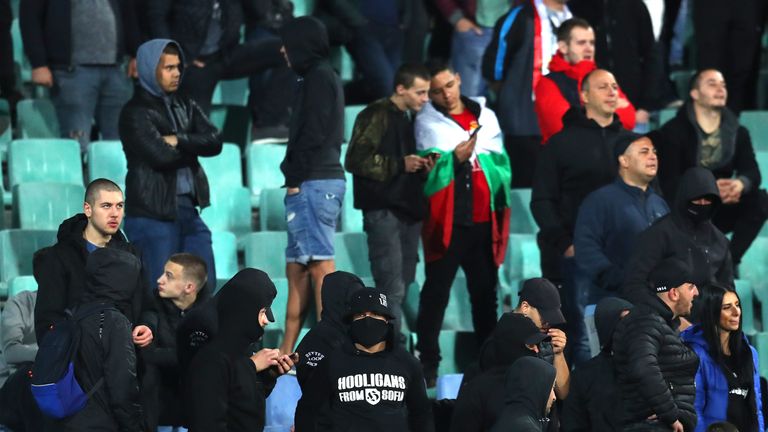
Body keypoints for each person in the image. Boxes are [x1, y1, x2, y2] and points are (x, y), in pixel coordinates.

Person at [413, 59, 511, 385]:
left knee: (485, 295)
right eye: (437, 92)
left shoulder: (486, 115)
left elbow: (500, 161)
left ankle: (490, 364)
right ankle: (428, 365)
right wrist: (454, 159)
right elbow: (428, 178)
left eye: (449, 86)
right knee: (435, 294)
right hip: (449, 223)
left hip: (484, 222)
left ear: (458, 79)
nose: (446, 95)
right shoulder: (427, 122)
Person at [531, 69, 635, 363]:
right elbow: (542, 201)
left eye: (615, 86)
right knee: (581, 343)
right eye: (603, 87)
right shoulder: (559, 144)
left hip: (625, 259)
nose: (612, 91)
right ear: (584, 96)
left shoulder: (632, 144)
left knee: (629, 341)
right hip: (577, 260)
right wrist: (565, 243)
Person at [120, 39, 222, 294]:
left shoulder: (185, 104)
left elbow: (216, 140)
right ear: (149, 69)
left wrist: (179, 140)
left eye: (178, 67)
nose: (176, 73)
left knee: (202, 287)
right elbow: (161, 157)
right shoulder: (135, 113)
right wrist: (195, 148)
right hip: (152, 213)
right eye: (168, 68)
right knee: (159, 292)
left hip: (188, 208)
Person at [344, 63, 432, 336]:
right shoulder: (376, 114)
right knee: (391, 288)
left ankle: (393, 348)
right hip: (384, 211)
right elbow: (355, 160)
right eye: (420, 92)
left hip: (405, 210)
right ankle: (391, 353)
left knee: (401, 285)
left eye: (427, 93)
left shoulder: (407, 117)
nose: (425, 99)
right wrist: (399, 164)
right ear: (400, 89)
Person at [649, 69, 767, 268]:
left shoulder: (738, 131)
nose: (720, 89)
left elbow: (752, 173)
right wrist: (707, 190)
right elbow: (669, 180)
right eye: (712, 84)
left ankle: (728, 261)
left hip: (723, 204)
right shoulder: (673, 131)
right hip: (686, 205)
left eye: (723, 85)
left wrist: (739, 184)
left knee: (761, 201)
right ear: (694, 94)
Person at [278, 16, 346, 354]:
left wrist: (294, 177)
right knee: (297, 269)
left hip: (313, 182)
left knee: (319, 268)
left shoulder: (319, 78)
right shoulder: (318, 77)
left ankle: (329, 350)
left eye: (287, 43)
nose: (283, 51)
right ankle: (287, 352)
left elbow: (314, 132)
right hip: (317, 180)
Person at [146, 0, 293, 141]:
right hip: (194, 63)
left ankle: (266, 124)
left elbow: (259, 12)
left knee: (291, 50)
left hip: (227, 55)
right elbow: (155, 15)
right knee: (197, 136)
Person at [33, 179, 154, 348]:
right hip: (76, 358)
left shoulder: (133, 255)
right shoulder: (59, 256)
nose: (115, 213)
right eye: (106, 206)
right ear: (87, 209)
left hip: (126, 355)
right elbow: (47, 319)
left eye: (119, 206)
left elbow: (148, 306)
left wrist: (147, 326)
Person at [294, 288, 435, 431]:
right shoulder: (332, 362)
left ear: (387, 319)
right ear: (351, 320)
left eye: (375, 314)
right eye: (361, 315)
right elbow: (308, 410)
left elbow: (421, 413)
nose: (368, 320)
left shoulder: (407, 363)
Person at [19, 0, 139, 152]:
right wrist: (38, 63)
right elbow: (30, 17)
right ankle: (80, 175)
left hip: (116, 70)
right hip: (72, 73)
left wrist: (136, 52)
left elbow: (128, 13)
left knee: (119, 146)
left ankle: (114, 176)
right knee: (76, 143)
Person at [185, 268, 295, 431]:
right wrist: (250, 366)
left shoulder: (241, 347)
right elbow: (209, 419)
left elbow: (243, 405)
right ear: (246, 309)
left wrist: (266, 377)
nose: (266, 321)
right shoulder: (208, 349)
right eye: (263, 312)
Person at [482, 0, 572, 187]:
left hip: (564, 121)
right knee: (524, 186)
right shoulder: (521, 16)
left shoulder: (574, 19)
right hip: (525, 121)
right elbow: (495, 66)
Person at [621, 167, 734, 305]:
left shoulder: (720, 242)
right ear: (685, 198)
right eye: (697, 199)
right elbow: (634, 284)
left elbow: (728, 291)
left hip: (707, 321)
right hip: (664, 320)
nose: (703, 204)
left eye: (708, 200)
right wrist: (667, 314)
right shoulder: (659, 234)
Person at [612, 257, 700, 431]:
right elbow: (644, 367)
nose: (696, 292)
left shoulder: (660, 322)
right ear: (673, 293)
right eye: (690, 287)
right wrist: (670, 415)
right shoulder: (646, 321)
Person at [574, 135, 669, 296]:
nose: (653, 156)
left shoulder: (659, 203)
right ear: (624, 161)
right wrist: (613, 277)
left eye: (654, 152)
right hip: (611, 302)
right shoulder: (600, 200)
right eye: (644, 152)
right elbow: (586, 246)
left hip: (654, 302)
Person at [62, 247, 144, 431]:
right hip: (101, 423)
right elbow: (122, 386)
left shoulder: (74, 313)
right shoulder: (114, 322)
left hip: (69, 419)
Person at [534, 18, 636, 143]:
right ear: (563, 47)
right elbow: (563, 127)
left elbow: (629, 118)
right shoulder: (547, 83)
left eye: (592, 43)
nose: (589, 49)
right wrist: (606, 110)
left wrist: (587, 113)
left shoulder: (602, 77)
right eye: (581, 43)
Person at [681, 284, 764, 432]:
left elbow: (756, 405)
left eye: (737, 305)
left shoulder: (750, 353)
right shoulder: (696, 353)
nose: (736, 312)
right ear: (712, 312)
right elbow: (695, 408)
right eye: (727, 307)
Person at [569, 0, 661, 130]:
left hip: (634, 110)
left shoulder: (634, 6)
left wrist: (645, 106)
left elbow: (651, 56)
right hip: (594, 112)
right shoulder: (578, 6)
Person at [141, 253, 208, 431]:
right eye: (163, 273)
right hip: (160, 396)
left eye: (169, 276)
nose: (159, 280)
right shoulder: (151, 306)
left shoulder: (210, 316)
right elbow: (147, 355)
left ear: (189, 287)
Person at [450, 313, 549, 432]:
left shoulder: (540, 386)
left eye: (538, 345)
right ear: (512, 345)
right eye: (531, 345)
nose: (537, 350)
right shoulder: (476, 391)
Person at [562, 297, 634, 432]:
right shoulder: (583, 377)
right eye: (624, 321)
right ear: (609, 327)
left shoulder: (653, 367)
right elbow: (572, 425)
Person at [313, 0, 407, 101]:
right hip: (363, 29)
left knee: (400, 87)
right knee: (387, 87)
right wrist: (357, 21)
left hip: (393, 30)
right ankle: (334, 97)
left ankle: (335, 95)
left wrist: (403, 18)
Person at [295, 271, 365, 390]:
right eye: (353, 300)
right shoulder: (316, 341)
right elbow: (316, 389)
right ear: (338, 300)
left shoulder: (357, 334)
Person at [0, 290, 41, 432]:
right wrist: (46, 354)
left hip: (58, 380)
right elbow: (10, 352)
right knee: (32, 374)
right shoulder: (21, 302)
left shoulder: (76, 303)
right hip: (16, 384)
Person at [490, 356, 557, 432]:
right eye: (551, 388)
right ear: (536, 387)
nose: (554, 397)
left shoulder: (504, 418)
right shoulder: (527, 428)